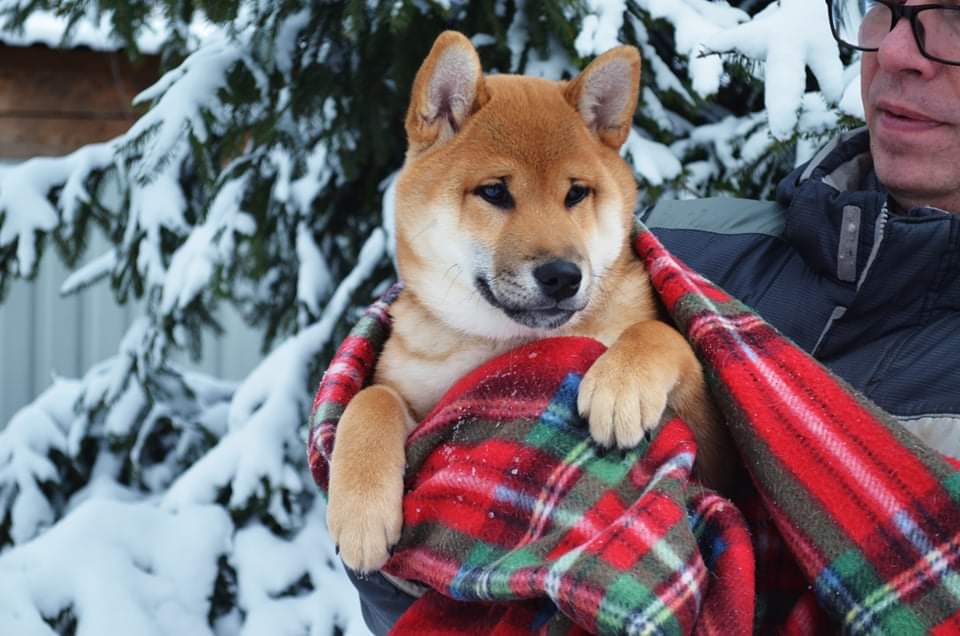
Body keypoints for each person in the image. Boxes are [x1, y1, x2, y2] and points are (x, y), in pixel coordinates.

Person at [344, 0, 960, 631]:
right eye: (884, 7)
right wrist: (377, 470)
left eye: (957, 19)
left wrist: (652, 351)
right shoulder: (681, 246)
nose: (898, 52)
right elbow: (411, 596)